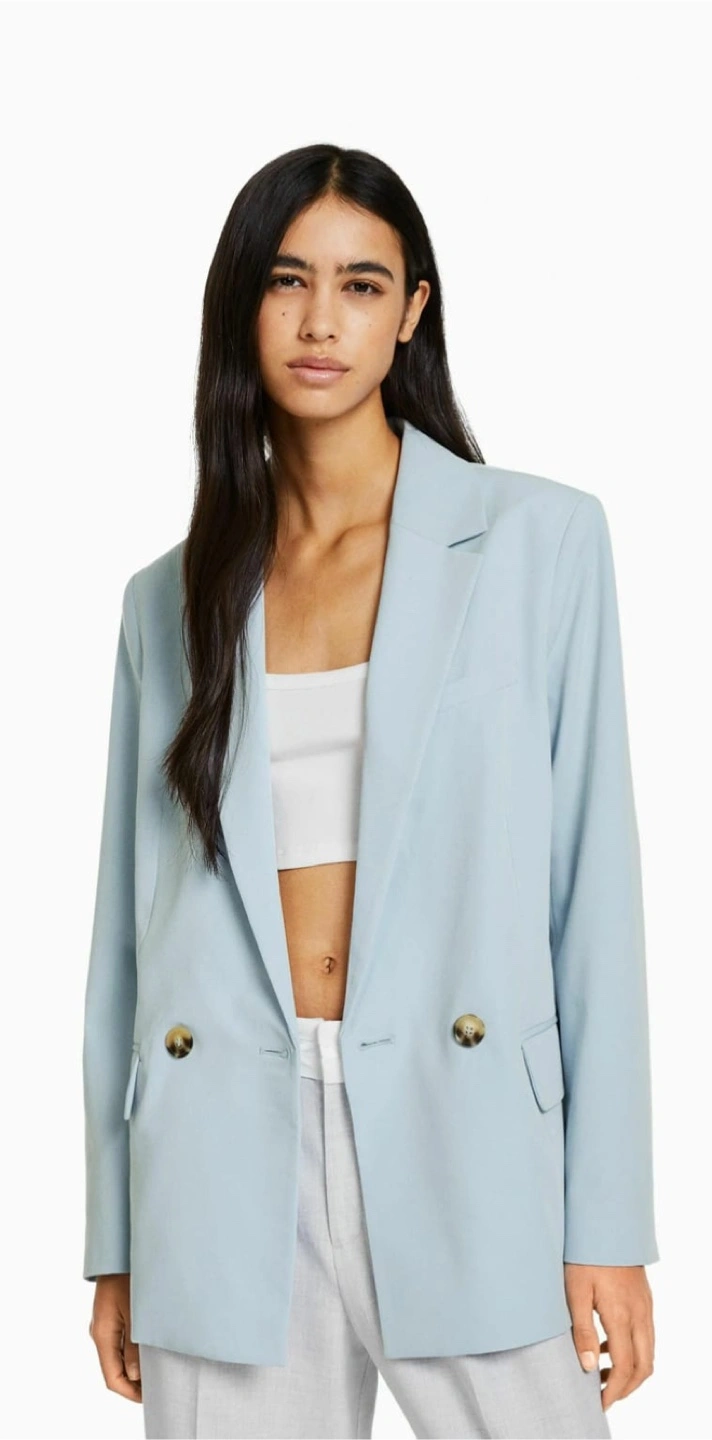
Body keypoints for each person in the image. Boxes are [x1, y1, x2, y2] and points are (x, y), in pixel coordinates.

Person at [83, 144, 658, 1440]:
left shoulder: (539, 542)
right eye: (288, 281)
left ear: (412, 313)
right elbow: (127, 941)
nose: (321, 320)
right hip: (221, 1155)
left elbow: (595, 896)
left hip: (470, 1134)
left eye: (361, 284)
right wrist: (116, 1235)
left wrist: (609, 1224)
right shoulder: (167, 601)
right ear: (243, 304)